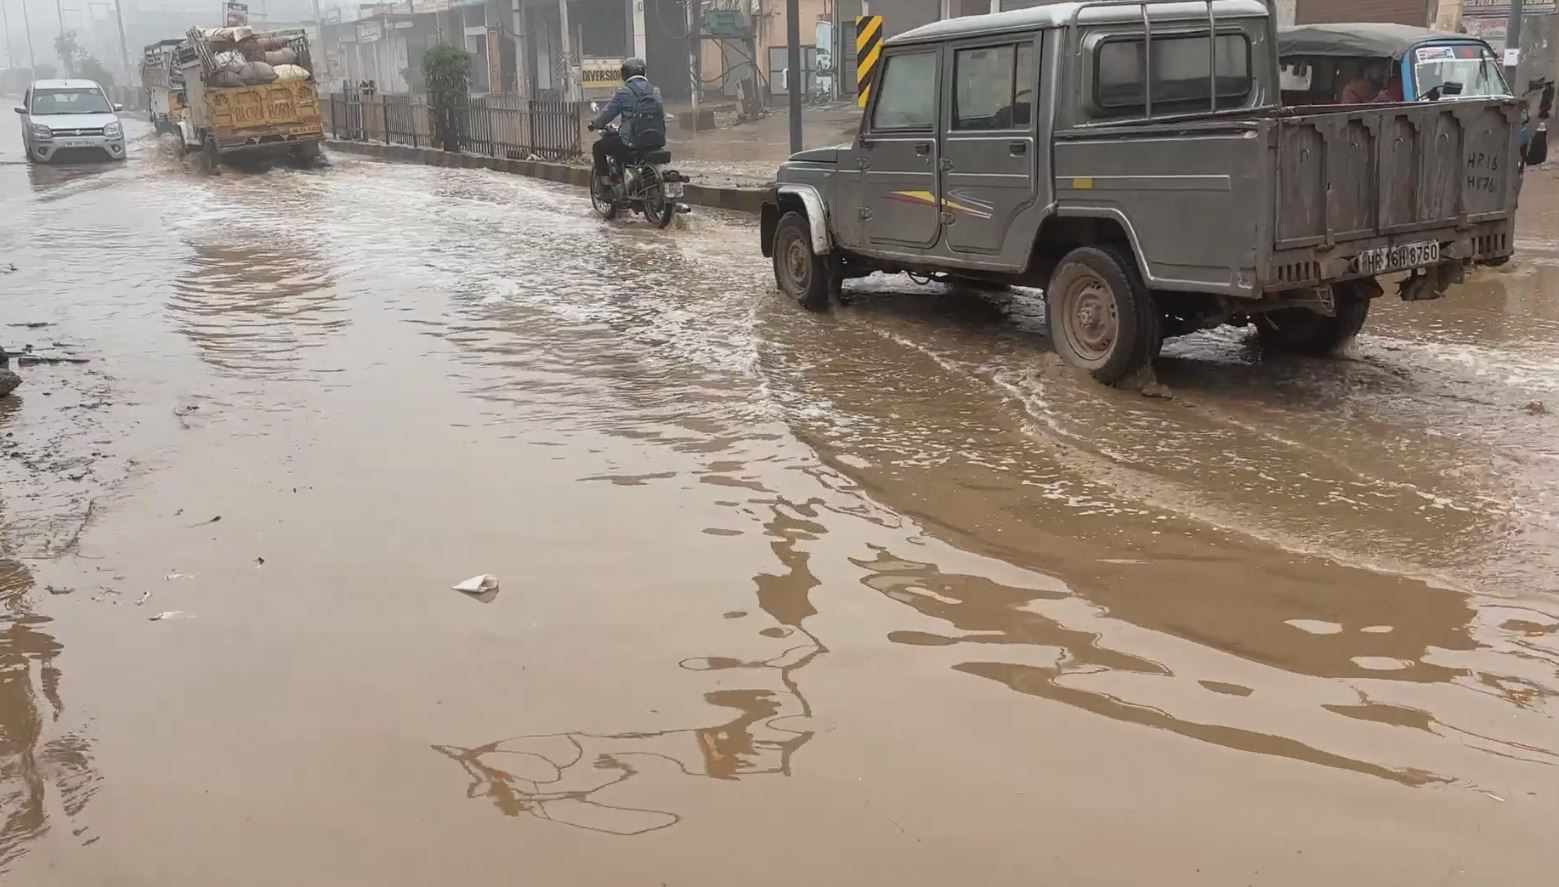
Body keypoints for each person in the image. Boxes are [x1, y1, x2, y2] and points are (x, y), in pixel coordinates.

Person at [589, 58, 667, 191]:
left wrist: (594, 123)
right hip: (657, 139)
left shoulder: (623, 92)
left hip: (633, 141)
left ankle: (606, 186)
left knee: (598, 147)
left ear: (625, 74)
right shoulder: (655, 91)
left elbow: (608, 114)